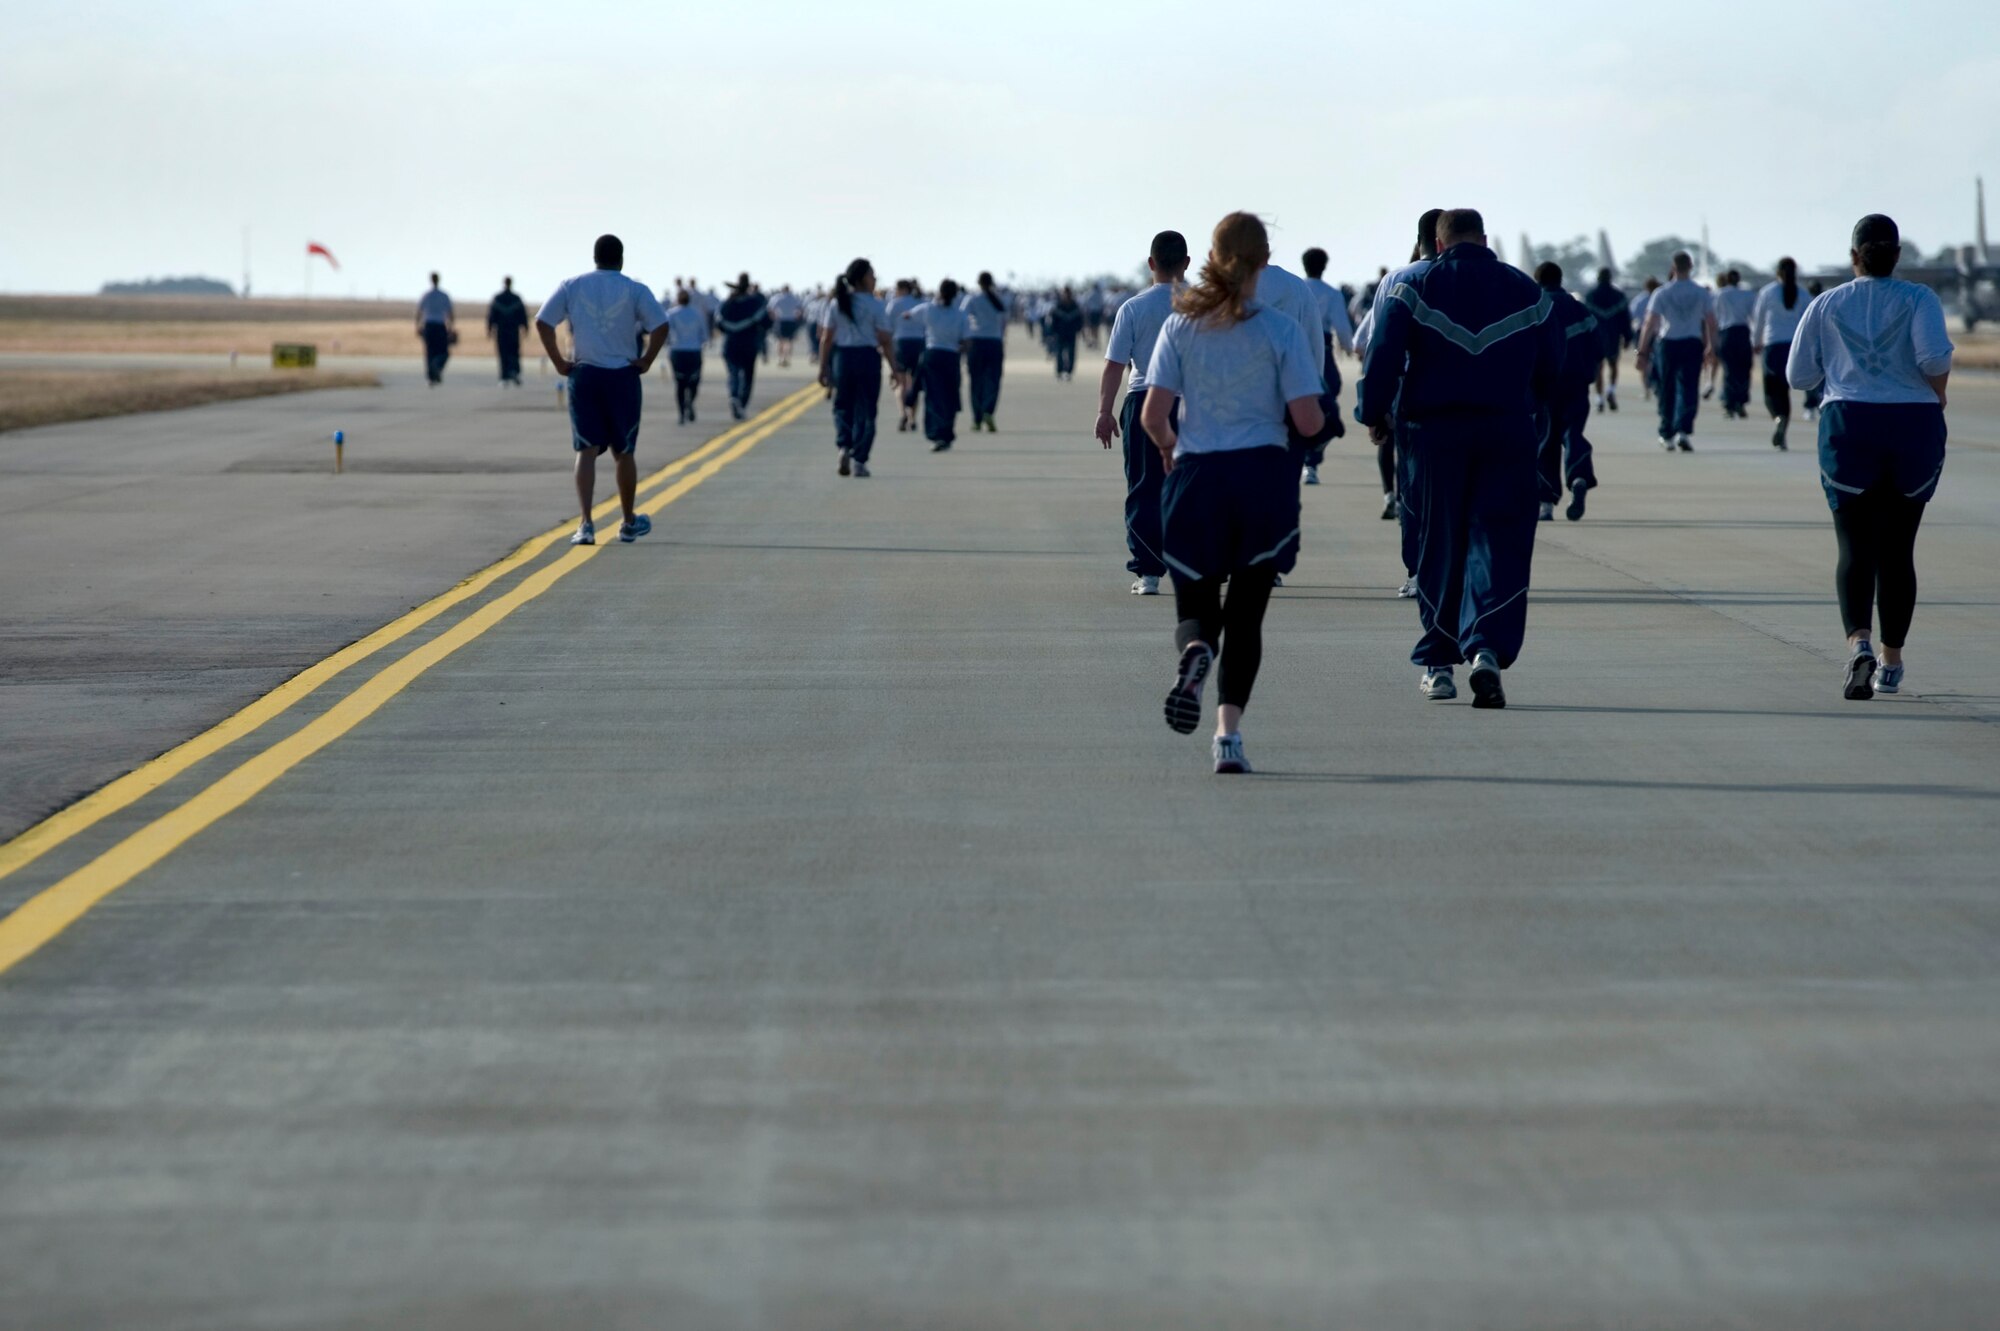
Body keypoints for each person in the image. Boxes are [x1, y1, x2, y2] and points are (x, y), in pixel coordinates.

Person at [1141, 212, 1324, 774]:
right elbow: (1308, 420)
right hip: (1261, 481)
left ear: (1212, 260)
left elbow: (1153, 414)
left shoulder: (1180, 325)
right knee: (1246, 615)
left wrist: (1172, 445)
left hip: (1198, 478)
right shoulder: (1279, 329)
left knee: (1196, 607)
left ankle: (1195, 651)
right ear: (1264, 262)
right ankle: (1227, 736)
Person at [1358, 208, 1560, 708]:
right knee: (1499, 541)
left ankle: (1438, 665)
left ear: (1438, 242)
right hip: (1506, 432)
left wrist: (1374, 412)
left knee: (1438, 544)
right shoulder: (1528, 291)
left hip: (1433, 435)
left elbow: (1383, 355)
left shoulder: (1413, 286)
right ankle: (1487, 648)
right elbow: (1554, 369)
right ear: (1485, 239)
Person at [1787, 214, 1952, 701]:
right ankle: (1891, 662)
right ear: (1897, 255)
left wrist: (1839, 368)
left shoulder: (1827, 302)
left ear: (1853, 254)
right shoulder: (1919, 298)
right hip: (1912, 425)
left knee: (1854, 545)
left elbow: (1798, 375)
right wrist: (1936, 394)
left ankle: (1857, 643)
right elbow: (1934, 359)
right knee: (1899, 549)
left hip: (1848, 424)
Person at [533, 233, 669, 546]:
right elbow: (661, 324)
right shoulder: (634, 289)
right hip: (622, 376)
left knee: (586, 450)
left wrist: (558, 361)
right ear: (621, 259)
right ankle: (628, 520)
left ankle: (586, 524)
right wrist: (647, 359)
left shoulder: (572, 285)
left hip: (585, 375)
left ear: (595, 257)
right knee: (625, 452)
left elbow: (543, 322)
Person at [1095, 229, 1191, 596]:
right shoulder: (1205, 304)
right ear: (1186, 263)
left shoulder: (1133, 307)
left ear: (1151, 263)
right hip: (1193, 403)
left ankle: (1148, 572)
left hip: (1144, 400)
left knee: (1144, 487)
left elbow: (1114, 366)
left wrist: (1105, 413)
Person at [1355, 208, 1445, 597]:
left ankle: (1419, 572)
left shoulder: (1397, 280)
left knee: (1414, 492)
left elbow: (1379, 346)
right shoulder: (1475, 280)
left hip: (1411, 398)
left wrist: (1374, 409)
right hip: (1470, 399)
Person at [818, 257, 906, 477]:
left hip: (843, 358)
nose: (875, 279)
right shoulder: (875, 305)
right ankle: (859, 459)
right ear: (862, 279)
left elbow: (826, 338)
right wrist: (894, 368)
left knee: (842, 405)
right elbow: (885, 339)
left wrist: (823, 367)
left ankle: (844, 446)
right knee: (866, 410)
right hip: (867, 358)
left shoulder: (837, 302)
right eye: (872, 275)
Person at [1532, 262, 1600, 521]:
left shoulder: (1536, 308)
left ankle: (1546, 503)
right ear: (1560, 280)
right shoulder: (1580, 309)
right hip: (1576, 384)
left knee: (1546, 441)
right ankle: (1579, 477)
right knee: (1573, 434)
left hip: (1545, 386)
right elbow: (1598, 345)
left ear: (1537, 282)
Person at [1634, 253, 1715, 451]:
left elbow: (1649, 323)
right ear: (1691, 266)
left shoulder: (1662, 292)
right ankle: (1683, 430)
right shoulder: (1701, 292)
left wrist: (1642, 350)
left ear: (1673, 267)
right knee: (1688, 388)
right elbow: (1711, 321)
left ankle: (1666, 432)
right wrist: (1711, 345)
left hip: (1668, 343)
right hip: (1692, 343)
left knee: (1666, 389)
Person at [1299, 246, 1356, 487]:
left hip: (1295, 347)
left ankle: (1305, 455)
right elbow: (1342, 327)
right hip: (1321, 347)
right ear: (1324, 266)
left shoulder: (1296, 289)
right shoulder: (1331, 294)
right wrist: (1349, 347)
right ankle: (1311, 459)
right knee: (1328, 396)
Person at [1751, 257, 1810, 449]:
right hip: (1793, 346)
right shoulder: (1802, 294)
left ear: (1777, 272)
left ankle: (1777, 417)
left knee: (1771, 390)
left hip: (1773, 345)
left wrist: (1755, 342)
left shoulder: (1767, 292)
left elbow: (1758, 319)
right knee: (1784, 391)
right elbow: (1808, 322)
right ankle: (1782, 429)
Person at [910, 278, 967, 451]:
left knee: (933, 396)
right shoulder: (960, 314)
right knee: (950, 395)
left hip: (932, 354)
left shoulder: (928, 309)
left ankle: (935, 433)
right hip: (951, 356)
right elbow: (966, 341)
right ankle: (947, 432)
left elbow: (908, 316)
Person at [717, 273, 771, 421]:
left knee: (733, 374)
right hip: (748, 344)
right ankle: (741, 403)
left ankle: (734, 395)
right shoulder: (755, 303)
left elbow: (719, 324)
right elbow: (766, 323)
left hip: (730, 344)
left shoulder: (727, 304)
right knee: (747, 377)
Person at [961, 272, 1008, 430]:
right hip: (994, 342)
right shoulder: (998, 300)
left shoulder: (972, 299)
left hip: (976, 342)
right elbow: (1004, 322)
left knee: (976, 381)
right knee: (993, 379)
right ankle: (989, 409)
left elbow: (962, 317)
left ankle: (977, 417)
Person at [1580, 267, 1631, 412]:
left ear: (1598, 278)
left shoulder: (1590, 296)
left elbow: (1584, 317)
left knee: (1598, 367)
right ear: (1610, 278)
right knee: (1613, 365)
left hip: (1595, 336)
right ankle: (1611, 390)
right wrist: (1627, 336)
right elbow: (1625, 318)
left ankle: (1599, 398)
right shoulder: (1619, 296)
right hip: (1613, 336)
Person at [1714, 269, 1756, 418]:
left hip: (1726, 332)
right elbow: (1753, 316)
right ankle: (1740, 401)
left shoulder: (1720, 294)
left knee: (1729, 370)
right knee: (1744, 370)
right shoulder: (1748, 294)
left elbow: (1715, 315)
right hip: (1742, 331)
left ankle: (1729, 404)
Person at [886, 279, 927, 433]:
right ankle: (912, 418)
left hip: (900, 342)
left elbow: (887, 327)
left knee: (901, 383)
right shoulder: (921, 302)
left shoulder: (894, 304)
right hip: (918, 343)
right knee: (913, 383)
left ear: (902, 289)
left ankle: (903, 413)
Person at [663, 290, 708, 424]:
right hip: (693, 351)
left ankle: (682, 412)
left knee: (680, 383)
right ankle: (689, 403)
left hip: (677, 352)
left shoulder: (671, 314)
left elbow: (665, 333)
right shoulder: (697, 313)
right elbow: (704, 334)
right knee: (694, 382)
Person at [486, 277, 529, 386]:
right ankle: (513, 372)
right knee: (514, 351)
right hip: (512, 330)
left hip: (503, 331)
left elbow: (491, 316)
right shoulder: (516, 298)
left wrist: (490, 329)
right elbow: (523, 315)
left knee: (504, 352)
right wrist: (525, 328)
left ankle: (505, 376)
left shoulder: (498, 298)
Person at [416, 272, 454, 386]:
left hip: (429, 325)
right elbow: (450, 313)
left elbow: (419, 312)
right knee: (443, 352)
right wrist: (451, 327)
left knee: (430, 352)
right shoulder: (444, 295)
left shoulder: (426, 295)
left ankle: (432, 375)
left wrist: (417, 326)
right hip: (440, 326)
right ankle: (436, 369)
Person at [1630, 276, 1660, 400]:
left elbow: (1632, 316)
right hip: (1657, 333)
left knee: (1643, 359)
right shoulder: (1660, 297)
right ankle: (1656, 386)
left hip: (1642, 332)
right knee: (1656, 360)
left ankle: (1646, 389)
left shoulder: (1639, 300)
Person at [1046, 288, 1084, 379]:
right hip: (1060, 333)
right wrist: (1052, 332)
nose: (1066, 295)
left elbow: (1080, 320)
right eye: (1065, 293)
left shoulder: (1075, 306)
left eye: (1068, 293)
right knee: (1059, 353)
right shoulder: (1058, 306)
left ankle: (1068, 372)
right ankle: (1059, 371)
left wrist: (1079, 329)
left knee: (1071, 353)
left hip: (1071, 333)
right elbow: (1053, 320)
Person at [770, 285, 804, 367]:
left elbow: (771, 308)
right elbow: (800, 309)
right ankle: (787, 358)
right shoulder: (794, 298)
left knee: (780, 340)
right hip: (791, 320)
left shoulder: (778, 298)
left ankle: (780, 358)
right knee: (789, 341)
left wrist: (774, 318)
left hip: (781, 320)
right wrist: (797, 317)